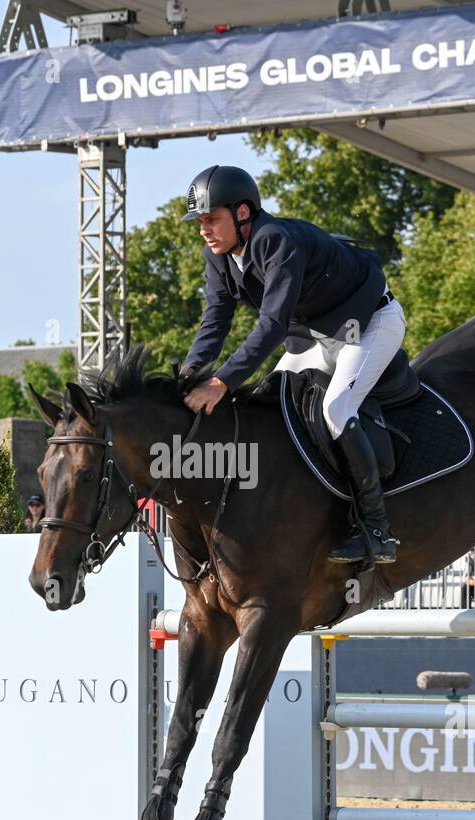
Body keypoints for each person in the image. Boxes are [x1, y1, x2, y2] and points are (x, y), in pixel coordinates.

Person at [178, 165, 406, 565]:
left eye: (212, 219)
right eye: (200, 221)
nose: (204, 229)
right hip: (315, 332)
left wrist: (222, 383)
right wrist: (188, 377)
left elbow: (271, 326)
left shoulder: (276, 241)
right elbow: (215, 319)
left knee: (335, 408)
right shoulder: (218, 257)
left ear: (243, 212)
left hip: (369, 323)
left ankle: (376, 528)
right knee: (274, 402)